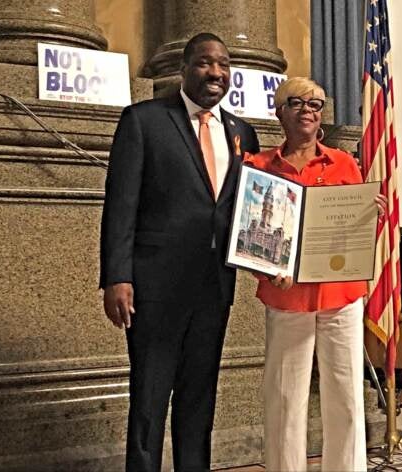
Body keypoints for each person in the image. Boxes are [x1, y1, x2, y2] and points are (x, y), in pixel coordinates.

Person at [99, 32, 259, 471]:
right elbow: (121, 204)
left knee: (199, 395)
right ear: (185, 68)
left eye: (224, 65)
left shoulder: (241, 132)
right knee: (150, 397)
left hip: (213, 286)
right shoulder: (144, 121)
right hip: (154, 287)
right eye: (206, 63)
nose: (216, 73)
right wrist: (117, 276)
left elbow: (254, 207)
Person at [243, 77, 386, 472]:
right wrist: (267, 271)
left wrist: (369, 213)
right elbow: (249, 240)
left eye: (316, 104)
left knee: (346, 395)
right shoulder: (257, 167)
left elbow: (356, 236)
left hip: (341, 295)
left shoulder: (344, 163)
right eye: (297, 103)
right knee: (285, 396)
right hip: (287, 298)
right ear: (279, 111)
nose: (307, 110)